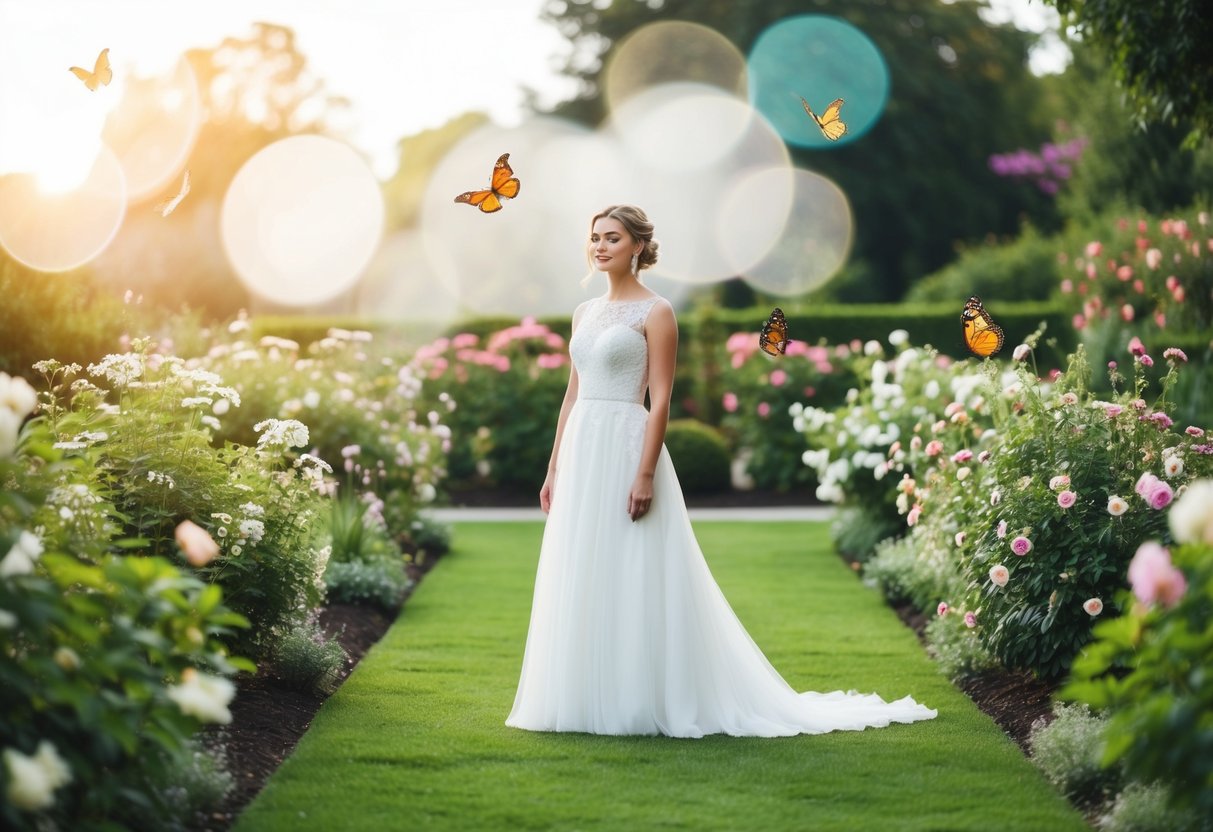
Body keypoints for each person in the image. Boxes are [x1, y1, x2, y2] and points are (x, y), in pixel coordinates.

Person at [506, 205, 936, 737]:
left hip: (625, 445)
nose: (599, 247)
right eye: (594, 238)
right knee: (583, 564)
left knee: (634, 567)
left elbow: (660, 398)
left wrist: (644, 474)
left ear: (637, 246)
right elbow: (571, 394)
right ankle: (581, 697)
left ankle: (638, 699)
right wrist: (553, 468)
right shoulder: (582, 313)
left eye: (612, 238)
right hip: (582, 449)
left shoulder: (657, 311)